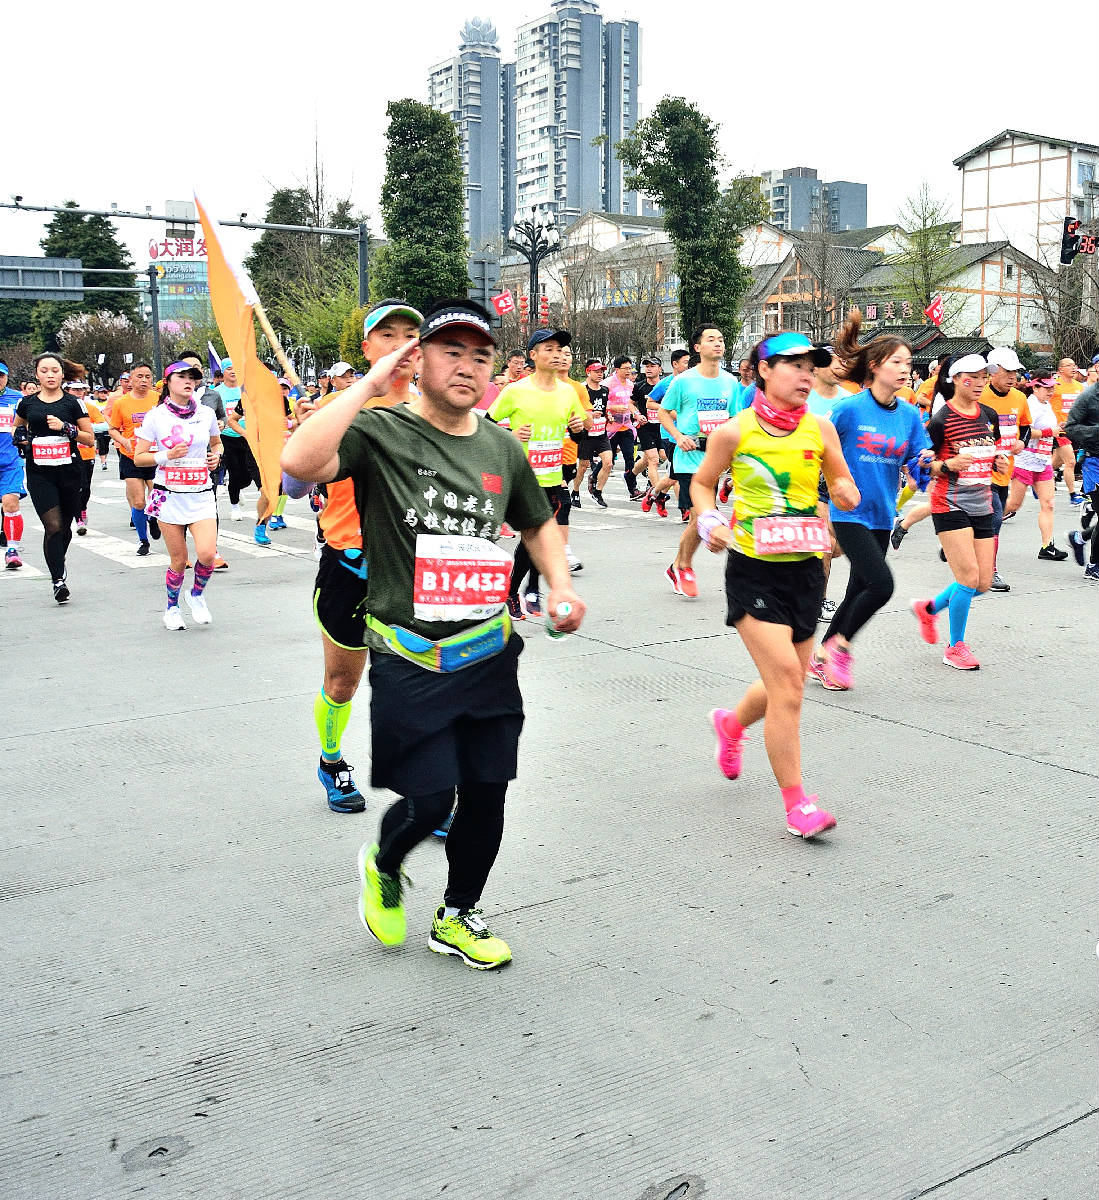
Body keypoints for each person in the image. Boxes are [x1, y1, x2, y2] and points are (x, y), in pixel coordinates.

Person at [282, 299, 585, 970]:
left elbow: (536, 521)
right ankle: (385, 863)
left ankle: (457, 915)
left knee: (486, 791)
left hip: (486, 649)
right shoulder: (380, 430)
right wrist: (368, 382)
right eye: (452, 351)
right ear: (417, 359)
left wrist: (560, 585)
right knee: (427, 800)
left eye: (481, 355)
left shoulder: (499, 446)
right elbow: (300, 462)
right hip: (409, 652)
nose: (468, 366)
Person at [691, 332, 859, 838]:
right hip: (753, 569)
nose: (806, 375)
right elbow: (702, 483)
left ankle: (731, 724)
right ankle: (797, 805)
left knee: (788, 679)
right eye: (794, 365)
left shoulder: (821, 428)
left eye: (811, 366)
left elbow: (840, 479)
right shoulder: (734, 432)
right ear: (763, 370)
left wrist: (846, 493)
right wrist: (710, 521)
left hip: (807, 569)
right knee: (788, 682)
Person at [306, 300, 423, 813]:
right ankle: (331, 760)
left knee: (418, 684)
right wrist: (312, 434)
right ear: (367, 348)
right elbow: (293, 482)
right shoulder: (338, 410)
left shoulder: (438, 410)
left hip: (414, 568)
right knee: (342, 682)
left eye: (410, 337)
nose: (400, 346)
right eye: (387, 335)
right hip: (351, 566)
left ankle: (424, 783)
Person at [805, 315, 928, 691]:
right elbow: (816, 448)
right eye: (897, 362)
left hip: (882, 513)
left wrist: (928, 464)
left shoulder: (909, 414)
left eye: (908, 363)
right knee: (881, 585)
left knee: (857, 591)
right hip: (848, 511)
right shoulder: (850, 409)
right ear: (874, 366)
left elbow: (918, 457)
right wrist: (817, 496)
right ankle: (840, 648)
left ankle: (819, 657)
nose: (905, 369)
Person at [911, 355, 1011, 671]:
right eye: (974, 376)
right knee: (967, 577)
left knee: (981, 583)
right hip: (949, 502)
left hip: (983, 502)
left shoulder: (989, 415)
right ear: (956, 379)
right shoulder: (941, 420)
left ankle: (929, 609)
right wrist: (946, 465)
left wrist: (999, 463)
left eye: (984, 377)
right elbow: (920, 464)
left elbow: (992, 451)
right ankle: (955, 647)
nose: (981, 383)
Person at [488, 328, 590, 617]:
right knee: (535, 535)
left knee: (539, 537)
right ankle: (519, 591)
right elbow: (487, 425)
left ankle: (525, 590)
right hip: (522, 477)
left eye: (560, 349)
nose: (556, 354)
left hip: (552, 476)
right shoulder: (516, 390)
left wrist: (578, 429)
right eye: (549, 349)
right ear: (533, 355)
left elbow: (577, 434)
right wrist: (511, 434)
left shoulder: (568, 392)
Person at [132, 362, 223, 629]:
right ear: (167, 383)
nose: (188, 381)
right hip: (168, 494)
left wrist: (216, 456)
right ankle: (171, 608)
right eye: (181, 377)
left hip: (200, 492)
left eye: (192, 377)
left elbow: (217, 443)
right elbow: (139, 457)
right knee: (180, 560)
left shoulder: (206, 413)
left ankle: (196, 595)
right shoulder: (156, 416)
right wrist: (166, 455)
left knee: (207, 554)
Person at [657, 324, 739, 596]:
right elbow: (664, 412)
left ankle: (677, 566)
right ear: (697, 347)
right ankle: (684, 566)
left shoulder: (730, 382)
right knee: (700, 515)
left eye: (721, 339)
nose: (718, 343)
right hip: (689, 455)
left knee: (701, 517)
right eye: (711, 339)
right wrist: (679, 436)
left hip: (713, 457)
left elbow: (734, 418)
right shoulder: (683, 381)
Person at [12, 353, 95, 601]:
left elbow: (89, 438)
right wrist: (20, 437)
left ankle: (58, 558)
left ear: (62, 374)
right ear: (36, 375)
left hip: (69, 471)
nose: (50, 375)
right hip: (39, 473)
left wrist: (66, 428)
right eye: (44, 371)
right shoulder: (27, 403)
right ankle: (58, 580)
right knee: (53, 526)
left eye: (55, 371)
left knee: (65, 528)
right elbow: (17, 426)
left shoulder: (73, 403)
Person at [1003, 372, 1068, 560]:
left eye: (1052, 387)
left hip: (1043, 460)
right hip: (1024, 460)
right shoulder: (1030, 404)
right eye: (1047, 388)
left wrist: (1058, 428)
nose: (1051, 391)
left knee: (1049, 504)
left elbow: (1048, 430)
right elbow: (1023, 431)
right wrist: (1049, 431)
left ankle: (1047, 546)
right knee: (1014, 504)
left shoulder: (1046, 405)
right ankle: (980, 525)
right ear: (1035, 387)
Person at [979, 347, 1029, 591]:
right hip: (981, 470)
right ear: (993, 371)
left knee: (986, 520)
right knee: (995, 518)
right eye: (1007, 371)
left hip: (1005, 470)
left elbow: (1026, 426)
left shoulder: (1019, 398)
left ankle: (959, 543)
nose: (1012, 377)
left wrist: (1023, 442)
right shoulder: (979, 396)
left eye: (1015, 372)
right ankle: (990, 572)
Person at [108, 362, 158, 555]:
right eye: (139, 376)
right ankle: (143, 540)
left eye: (147, 376)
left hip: (155, 456)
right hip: (132, 457)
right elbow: (113, 429)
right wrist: (123, 440)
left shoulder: (160, 399)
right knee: (138, 502)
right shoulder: (121, 403)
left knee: (156, 498)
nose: (144, 380)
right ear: (130, 379)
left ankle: (153, 519)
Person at [641, 348, 691, 517]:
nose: (688, 365)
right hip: (671, 435)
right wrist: (668, 410)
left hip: (689, 433)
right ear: (675, 364)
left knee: (676, 475)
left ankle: (656, 494)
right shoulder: (666, 383)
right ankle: (685, 510)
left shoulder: (692, 381)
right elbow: (649, 403)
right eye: (685, 362)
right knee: (677, 475)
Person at [554, 343, 589, 572]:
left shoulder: (576, 389)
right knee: (562, 503)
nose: (563, 357)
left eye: (567, 353)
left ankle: (554, 551)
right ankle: (562, 553)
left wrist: (579, 420)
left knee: (556, 506)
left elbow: (588, 423)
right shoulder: (531, 387)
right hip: (540, 457)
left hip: (568, 455)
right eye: (559, 353)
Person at [1064, 380, 1099, 579]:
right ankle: (1094, 565)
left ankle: (1080, 537)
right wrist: (1096, 431)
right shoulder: (1088, 397)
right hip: (1094, 462)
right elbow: (1071, 428)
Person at [571, 359, 611, 508]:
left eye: (602, 371)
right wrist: (589, 415)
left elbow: (604, 409)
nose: (600, 374)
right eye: (596, 371)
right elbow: (573, 409)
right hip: (586, 434)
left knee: (608, 462)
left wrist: (608, 415)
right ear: (588, 372)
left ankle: (597, 492)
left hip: (601, 433)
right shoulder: (581, 389)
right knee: (583, 466)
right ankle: (575, 492)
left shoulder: (605, 390)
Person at [0, 361, 28, 568]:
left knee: (11, 503)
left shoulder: (18, 399)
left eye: (1, 376)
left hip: (11, 462)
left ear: (7, 377)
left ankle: (12, 550)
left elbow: (29, 424)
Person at [606, 355, 642, 498]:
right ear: (617, 369)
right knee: (608, 460)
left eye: (630, 368)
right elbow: (600, 402)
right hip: (611, 428)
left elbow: (632, 404)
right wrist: (614, 407)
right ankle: (594, 478)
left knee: (630, 458)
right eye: (625, 368)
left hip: (626, 427)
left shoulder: (630, 385)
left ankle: (632, 489)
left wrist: (637, 414)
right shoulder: (607, 384)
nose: (628, 371)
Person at [1051, 358, 1083, 503]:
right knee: (1070, 462)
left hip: (1075, 430)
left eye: (1074, 365)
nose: (1073, 367)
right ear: (1060, 370)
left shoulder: (1079, 387)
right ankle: (1073, 495)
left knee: (1056, 463)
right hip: (1060, 431)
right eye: (1068, 365)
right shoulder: (1054, 386)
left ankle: (1037, 476)